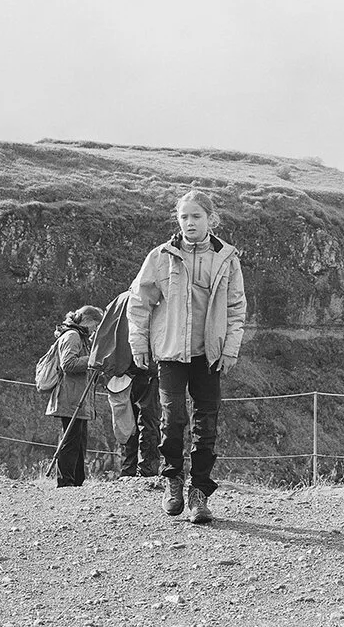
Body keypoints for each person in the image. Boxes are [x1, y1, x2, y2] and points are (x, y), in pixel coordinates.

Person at [127, 189, 247, 524]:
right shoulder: (160, 257)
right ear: (178, 220)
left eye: (196, 216)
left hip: (209, 356)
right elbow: (138, 303)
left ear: (211, 219)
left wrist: (230, 347)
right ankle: (173, 481)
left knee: (206, 425)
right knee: (172, 419)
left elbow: (237, 308)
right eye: (184, 217)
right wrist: (139, 345)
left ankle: (200, 493)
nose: (190, 223)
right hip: (170, 354)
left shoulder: (227, 258)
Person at [90, 290, 159, 478]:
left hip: (120, 371)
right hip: (145, 367)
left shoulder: (117, 300)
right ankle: (147, 469)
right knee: (149, 419)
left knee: (126, 422)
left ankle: (128, 469)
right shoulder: (148, 297)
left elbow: (102, 334)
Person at [44, 305, 103, 487]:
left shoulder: (79, 337)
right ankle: (65, 482)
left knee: (78, 441)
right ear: (88, 321)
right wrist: (93, 360)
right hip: (70, 398)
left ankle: (76, 481)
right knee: (70, 441)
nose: (95, 330)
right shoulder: (72, 336)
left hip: (77, 398)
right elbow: (68, 364)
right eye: (95, 326)